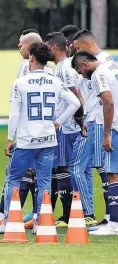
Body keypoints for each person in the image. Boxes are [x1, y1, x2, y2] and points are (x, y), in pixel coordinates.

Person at [0, 43, 81, 234]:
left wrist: (9, 139)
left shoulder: (20, 82)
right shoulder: (54, 80)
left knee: (13, 178)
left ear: (31, 58)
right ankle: (41, 223)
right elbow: (75, 102)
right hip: (48, 139)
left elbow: (14, 114)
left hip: (26, 139)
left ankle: (9, 221)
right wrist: (59, 121)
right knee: (44, 181)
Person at [0, 30, 49, 231]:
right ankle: (15, 217)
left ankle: (14, 219)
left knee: (24, 174)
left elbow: (17, 107)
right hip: (35, 132)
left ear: (32, 48)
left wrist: (11, 136)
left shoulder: (43, 72)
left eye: (22, 44)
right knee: (30, 174)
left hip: (32, 132)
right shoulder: (25, 68)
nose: (19, 47)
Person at [45, 32, 96, 227]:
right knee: (79, 169)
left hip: (73, 127)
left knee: (75, 168)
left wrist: (78, 123)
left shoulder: (65, 68)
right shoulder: (61, 67)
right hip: (71, 126)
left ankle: (84, 212)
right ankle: (81, 212)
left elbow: (77, 98)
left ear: (53, 48)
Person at [72, 29, 115, 230]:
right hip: (101, 120)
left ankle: (109, 219)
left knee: (107, 170)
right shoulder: (110, 64)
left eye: (77, 48)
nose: (75, 52)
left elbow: (107, 101)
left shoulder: (101, 68)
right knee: (105, 170)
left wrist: (105, 132)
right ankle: (109, 216)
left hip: (103, 122)